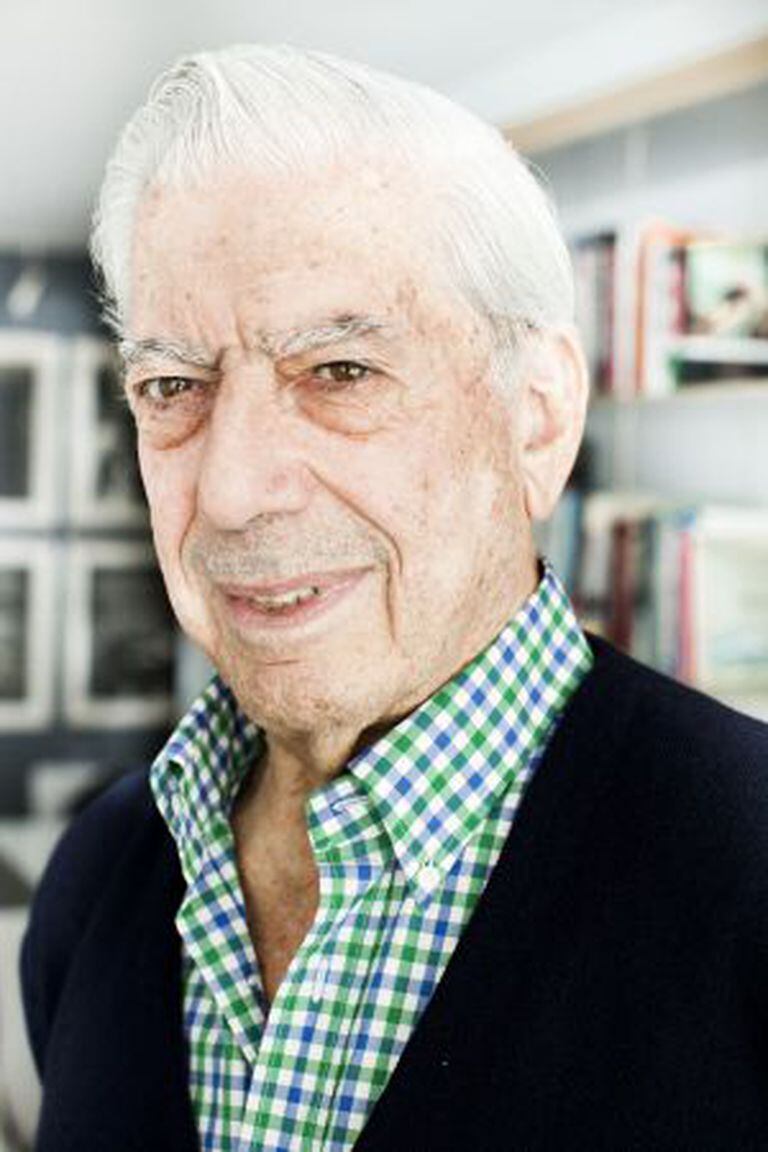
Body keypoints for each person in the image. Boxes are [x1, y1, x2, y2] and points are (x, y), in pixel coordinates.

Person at [20, 44, 768, 1152]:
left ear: (538, 418)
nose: (230, 492)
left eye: (340, 372)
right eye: (172, 385)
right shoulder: (97, 877)